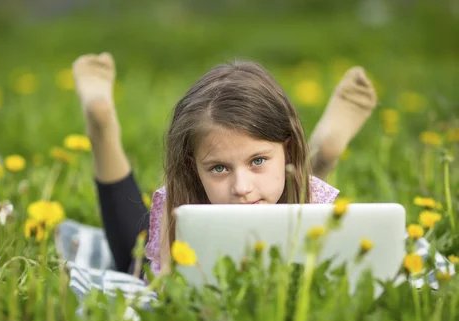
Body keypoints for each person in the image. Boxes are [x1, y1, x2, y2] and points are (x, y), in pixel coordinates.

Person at [62, 53, 454, 301]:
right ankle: (102, 130)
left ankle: (318, 158)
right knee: (133, 251)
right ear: (192, 166)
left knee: (302, 211)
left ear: (287, 147)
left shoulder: (286, 191)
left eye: (256, 161)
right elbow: (158, 289)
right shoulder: (179, 202)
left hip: (295, 184)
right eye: (219, 168)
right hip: (252, 197)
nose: (242, 188)